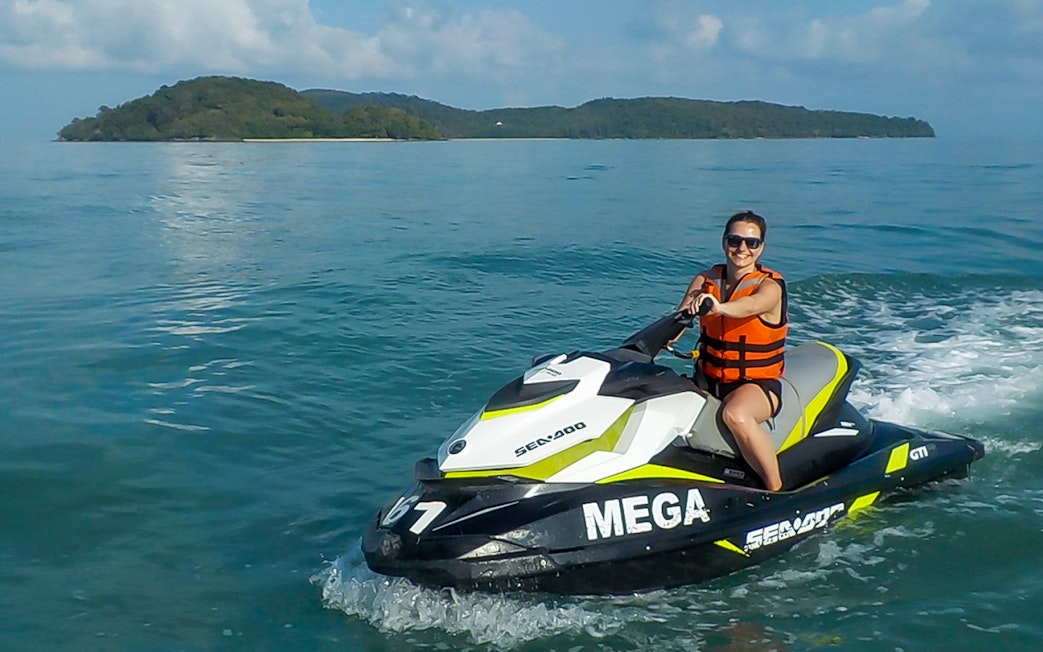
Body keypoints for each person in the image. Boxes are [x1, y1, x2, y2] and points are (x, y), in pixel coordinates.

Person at [679, 210, 787, 491]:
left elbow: (751, 307)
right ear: (724, 241)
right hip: (708, 378)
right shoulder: (705, 281)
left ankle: (776, 490)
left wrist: (719, 307)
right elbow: (680, 318)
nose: (742, 249)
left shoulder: (770, 287)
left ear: (761, 247)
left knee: (735, 415)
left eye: (751, 243)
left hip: (757, 385)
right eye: (734, 240)